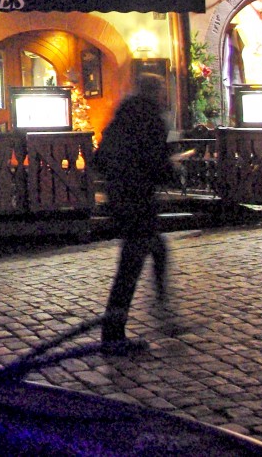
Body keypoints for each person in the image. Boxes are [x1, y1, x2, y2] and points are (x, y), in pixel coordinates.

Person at [93, 74, 177, 354]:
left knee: (154, 248)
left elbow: (100, 159)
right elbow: (154, 161)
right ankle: (113, 333)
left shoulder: (122, 117)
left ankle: (161, 303)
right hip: (137, 199)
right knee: (129, 267)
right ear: (154, 92)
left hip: (122, 197)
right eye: (162, 90)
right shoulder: (150, 118)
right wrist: (170, 173)